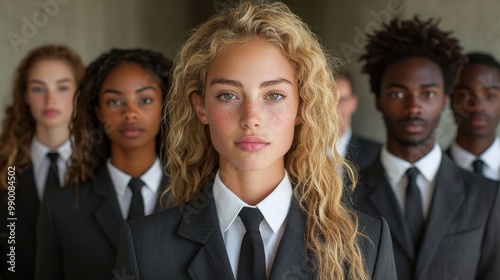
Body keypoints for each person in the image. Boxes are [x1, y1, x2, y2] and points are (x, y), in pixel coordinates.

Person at [115, 2, 396, 280]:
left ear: (302, 106)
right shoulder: (144, 246)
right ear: (201, 108)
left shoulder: (365, 244)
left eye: (274, 95)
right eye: (228, 95)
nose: (251, 118)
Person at [354, 17, 500, 280]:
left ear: (446, 99)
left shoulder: (488, 197)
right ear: (378, 99)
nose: (413, 108)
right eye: (398, 94)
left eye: (428, 94)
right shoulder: (344, 194)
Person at [35, 49, 173, 280]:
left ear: (164, 105)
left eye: (145, 100)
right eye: (115, 101)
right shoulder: (60, 207)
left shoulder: (198, 196)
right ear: (98, 111)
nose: (130, 113)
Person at [0, 45, 84, 280]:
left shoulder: (103, 163)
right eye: (38, 88)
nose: (50, 99)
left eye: (63, 87)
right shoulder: (4, 165)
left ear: (79, 93)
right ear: (25, 94)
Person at [448, 52, 500, 180]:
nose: (478, 106)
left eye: (489, 95)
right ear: (450, 99)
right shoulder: (430, 172)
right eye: (465, 95)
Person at [335, 72, 381, 170]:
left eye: (342, 99)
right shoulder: (300, 153)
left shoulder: (377, 155)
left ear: (354, 103)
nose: (334, 106)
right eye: (328, 99)